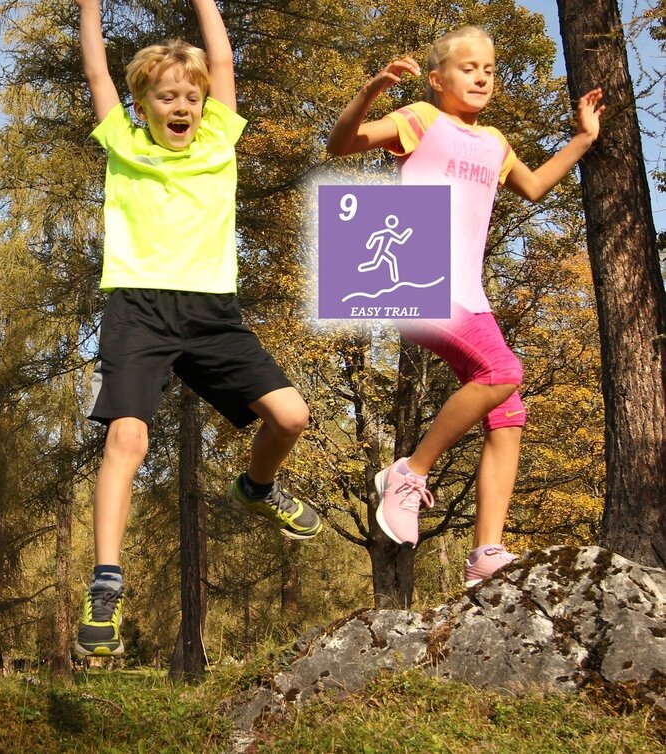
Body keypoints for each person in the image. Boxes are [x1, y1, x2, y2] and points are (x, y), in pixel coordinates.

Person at [73, 0, 322, 657]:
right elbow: (97, 73)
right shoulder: (122, 145)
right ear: (144, 104)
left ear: (203, 104)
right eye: (165, 96)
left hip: (212, 311)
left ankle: (258, 487)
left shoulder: (218, 139)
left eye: (189, 96)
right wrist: (88, 9)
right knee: (126, 438)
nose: (179, 104)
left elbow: (220, 60)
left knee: (291, 417)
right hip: (138, 307)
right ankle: (105, 580)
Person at [326, 26, 604, 586]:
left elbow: (533, 187)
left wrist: (583, 137)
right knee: (503, 371)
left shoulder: (495, 141)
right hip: (416, 278)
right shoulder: (421, 121)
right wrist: (371, 91)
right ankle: (408, 472)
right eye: (468, 67)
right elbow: (341, 144)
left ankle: (486, 556)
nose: (481, 76)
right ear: (437, 80)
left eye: (490, 70)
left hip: (468, 294)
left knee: (507, 412)